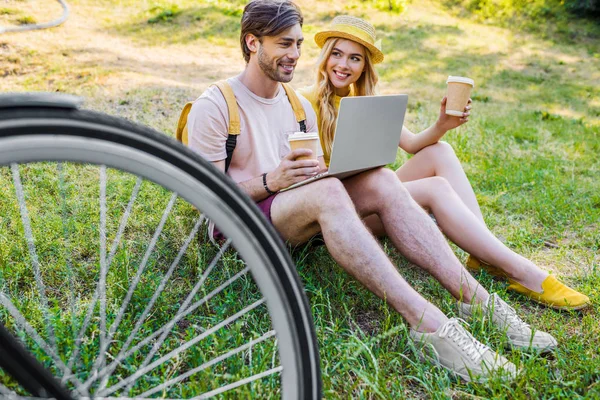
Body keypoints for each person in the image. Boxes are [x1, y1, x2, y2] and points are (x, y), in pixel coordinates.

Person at [186, 0, 555, 383]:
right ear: (252, 43)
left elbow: (304, 176)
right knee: (327, 191)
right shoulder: (215, 105)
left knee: (381, 178)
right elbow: (205, 196)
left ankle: (476, 300)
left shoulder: (297, 106)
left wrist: (316, 174)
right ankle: (427, 323)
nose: (294, 54)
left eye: (297, 44)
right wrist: (273, 181)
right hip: (241, 228)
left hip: (291, 214)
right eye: (283, 44)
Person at [298, 15, 590, 311]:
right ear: (325, 57)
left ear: (364, 67)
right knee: (435, 188)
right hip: (341, 214)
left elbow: (412, 144)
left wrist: (443, 124)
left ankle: (483, 253)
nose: (343, 65)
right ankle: (522, 272)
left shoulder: (364, 101)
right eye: (337, 54)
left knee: (441, 150)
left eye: (354, 58)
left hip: (373, 196)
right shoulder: (303, 101)